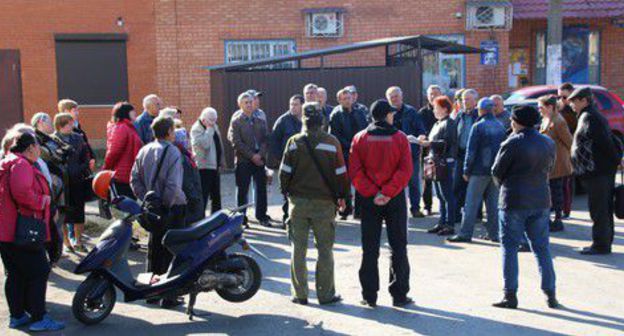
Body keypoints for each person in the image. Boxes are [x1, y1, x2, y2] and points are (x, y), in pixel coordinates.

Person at [279, 102, 349, 306]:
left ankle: (300, 294)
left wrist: (287, 194)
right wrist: (344, 196)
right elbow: (341, 174)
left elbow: (284, 173)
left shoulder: (294, 142)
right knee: (325, 250)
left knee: (298, 250)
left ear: (303, 120)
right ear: (323, 120)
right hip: (325, 204)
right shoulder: (332, 142)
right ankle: (325, 295)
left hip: (298, 204)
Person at [491, 105, 558, 310]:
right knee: (542, 248)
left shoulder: (512, 143)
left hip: (514, 200)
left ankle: (510, 295)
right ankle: (550, 293)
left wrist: (503, 186)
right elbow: (550, 167)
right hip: (540, 198)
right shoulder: (547, 142)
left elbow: (496, 171)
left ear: (516, 122)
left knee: (509, 248)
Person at [350, 99, 413, 308]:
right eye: (391, 113)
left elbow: (356, 173)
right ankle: (399, 295)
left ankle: (369, 296)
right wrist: (387, 192)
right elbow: (405, 171)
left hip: (369, 200)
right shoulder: (400, 138)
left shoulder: (360, 138)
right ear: (387, 115)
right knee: (398, 247)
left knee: (369, 249)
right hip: (394, 199)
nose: (393, 116)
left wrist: (374, 193)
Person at [0, 130, 65, 331]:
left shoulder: (8, 161)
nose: (40, 150)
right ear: (30, 148)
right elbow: (22, 193)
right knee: (39, 271)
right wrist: (41, 201)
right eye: (38, 146)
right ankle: (39, 318)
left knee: (16, 274)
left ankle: (18, 315)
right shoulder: (21, 165)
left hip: (8, 231)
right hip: (22, 232)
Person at [130, 116, 187, 308]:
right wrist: (166, 204)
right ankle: (169, 296)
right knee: (172, 252)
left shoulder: (144, 150)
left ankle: (151, 292)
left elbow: (134, 180)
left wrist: (148, 199)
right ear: (170, 131)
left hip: (151, 208)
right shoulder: (172, 152)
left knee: (154, 250)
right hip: (171, 208)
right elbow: (173, 184)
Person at [569, 87, 620, 255]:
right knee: (601, 208)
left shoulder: (591, 117)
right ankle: (603, 243)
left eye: (574, 101)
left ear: (584, 100)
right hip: (597, 171)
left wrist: (616, 161)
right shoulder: (589, 115)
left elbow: (606, 143)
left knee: (600, 209)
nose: (571, 105)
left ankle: (601, 245)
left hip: (599, 172)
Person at [448, 98, 506, 243]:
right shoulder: (500, 125)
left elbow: (471, 150)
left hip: (479, 171)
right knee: (493, 205)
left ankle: (465, 233)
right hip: (495, 171)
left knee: (471, 203)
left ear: (481, 110)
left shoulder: (478, 126)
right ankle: (495, 234)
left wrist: (466, 170)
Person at [228, 92, 272, 227]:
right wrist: (252, 156)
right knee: (243, 190)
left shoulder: (260, 120)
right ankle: (242, 219)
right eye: (245, 102)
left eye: (250, 102)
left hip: (260, 160)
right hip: (244, 161)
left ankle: (262, 216)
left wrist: (261, 155)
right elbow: (236, 142)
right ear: (240, 104)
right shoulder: (236, 121)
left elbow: (266, 139)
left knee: (261, 189)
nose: (248, 104)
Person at [53, 113, 92, 253]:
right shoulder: (52, 140)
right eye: (70, 123)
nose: (73, 125)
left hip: (77, 181)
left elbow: (86, 157)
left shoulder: (78, 138)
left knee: (79, 211)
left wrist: (80, 169)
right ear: (61, 125)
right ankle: (66, 242)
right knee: (63, 212)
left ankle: (79, 241)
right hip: (62, 184)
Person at [419, 96, 458, 235]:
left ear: (445, 109)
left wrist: (429, 143)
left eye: (437, 108)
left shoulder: (450, 123)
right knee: (440, 196)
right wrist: (424, 140)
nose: (434, 110)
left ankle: (450, 224)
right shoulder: (437, 123)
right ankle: (442, 222)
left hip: (444, 163)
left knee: (447, 195)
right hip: (435, 163)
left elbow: (447, 143)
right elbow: (434, 141)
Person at [386, 86, 426, 218]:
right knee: (394, 183)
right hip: (392, 156)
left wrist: (421, 137)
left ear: (401, 96)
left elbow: (420, 130)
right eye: (391, 97)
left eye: (396, 96)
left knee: (414, 182)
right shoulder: (387, 113)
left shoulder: (411, 112)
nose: (394, 99)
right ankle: (395, 209)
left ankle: (415, 208)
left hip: (411, 154)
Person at [329, 88, 368, 220]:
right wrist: (350, 145)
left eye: (349, 98)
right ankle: (345, 211)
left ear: (353, 98)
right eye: (344, 98)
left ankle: (360, 212)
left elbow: (365, 131)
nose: (347, 100)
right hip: (343, 153)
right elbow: (335, 136)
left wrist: (358, 145)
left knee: (360, 182)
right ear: (339, 100)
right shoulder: (335, 115)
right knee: (344, 183)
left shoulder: (360, 113)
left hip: (359, 153)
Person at [538, 95, 573, 232]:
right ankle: (551, 218)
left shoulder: (559, 121)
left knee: (557, 191)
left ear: (550, 107)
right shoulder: (546, 119)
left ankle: (558, 220)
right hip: (549, 162)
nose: (539, 110)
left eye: (541, 107)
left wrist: (571, 160)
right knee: (551, 191)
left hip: (558, 163)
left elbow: (569, 142)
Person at [269, 95, 304, 226]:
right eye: (291, 104)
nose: (292, 107)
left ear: (302, 105)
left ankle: (300, 219)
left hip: (303, 164)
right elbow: (273, 142)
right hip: (287, 163)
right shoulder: (283, 120)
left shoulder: (307, 120)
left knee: (301, 192)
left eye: (295, 104)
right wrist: (280, 159)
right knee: (287, 192)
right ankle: (287, 218)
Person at [103, 102, 143, 199]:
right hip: (122, 175)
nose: (135, 113)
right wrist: (106, 169)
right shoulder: (122, 127)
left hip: (128, 173)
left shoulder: (128, 127)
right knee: (126, 205)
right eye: (132, 111)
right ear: (126, 113)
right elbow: (114, 151)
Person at [191, 107, 224, 214]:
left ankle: (216, 219)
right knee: (204, 195)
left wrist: (221, 160)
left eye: (215, 120)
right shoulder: (196, 129)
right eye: (211, 120)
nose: (214, 122)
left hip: (215, 166)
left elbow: (219, 143)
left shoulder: (213, 125)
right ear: (203, 119)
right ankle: (200, 219)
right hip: (204, 167)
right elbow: (205, 144)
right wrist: (209, 130)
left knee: (216, 195)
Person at [454, 89, 479, 224]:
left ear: (475, 101)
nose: (465, 102)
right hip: (460, 154)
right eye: (463, 99)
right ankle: (457, 214)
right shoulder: (460, 115)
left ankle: (476, 215)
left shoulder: (479, 116)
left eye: (468, 99)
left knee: (474, 187)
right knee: (457, 185)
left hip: (475, 156)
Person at [418, 85, 442, 216]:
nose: (433, 96)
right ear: (427, 96)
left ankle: (445, 206)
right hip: (428, 152)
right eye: (431, 94)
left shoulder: (445, 110)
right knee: (428, 179)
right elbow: (421, 130)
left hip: (442, 151)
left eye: (436, 93)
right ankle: (428, 206)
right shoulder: (423, 112)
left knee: (443, 179)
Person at [557, 83, 577, 219]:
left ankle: (566, 209)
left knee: (566, 183)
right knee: (559, 182)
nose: (561, 99)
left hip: (569, 150)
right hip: (559, 150)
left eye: (564, 96)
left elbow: (572, 133)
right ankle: (559, 207)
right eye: (559, 96)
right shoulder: (561, 109)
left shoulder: (573, 112)